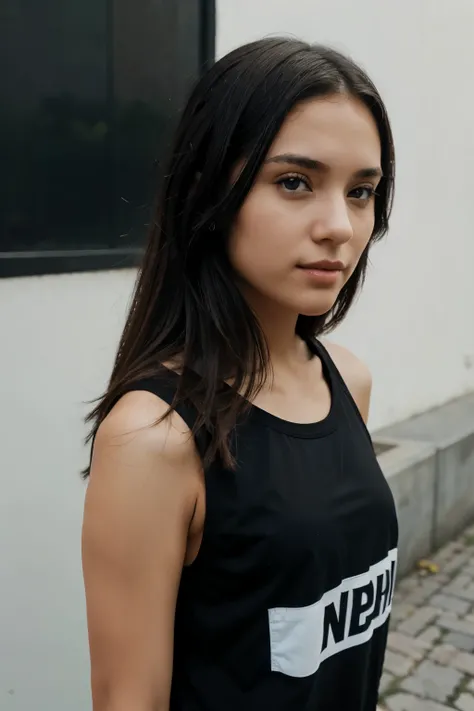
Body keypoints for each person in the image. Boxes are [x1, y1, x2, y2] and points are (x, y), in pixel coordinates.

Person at [81, 37, 398, 711]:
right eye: (294, 182)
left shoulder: (347, 380)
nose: (340, 225)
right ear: (205, 191)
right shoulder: (156, 438)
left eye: (362, 191)